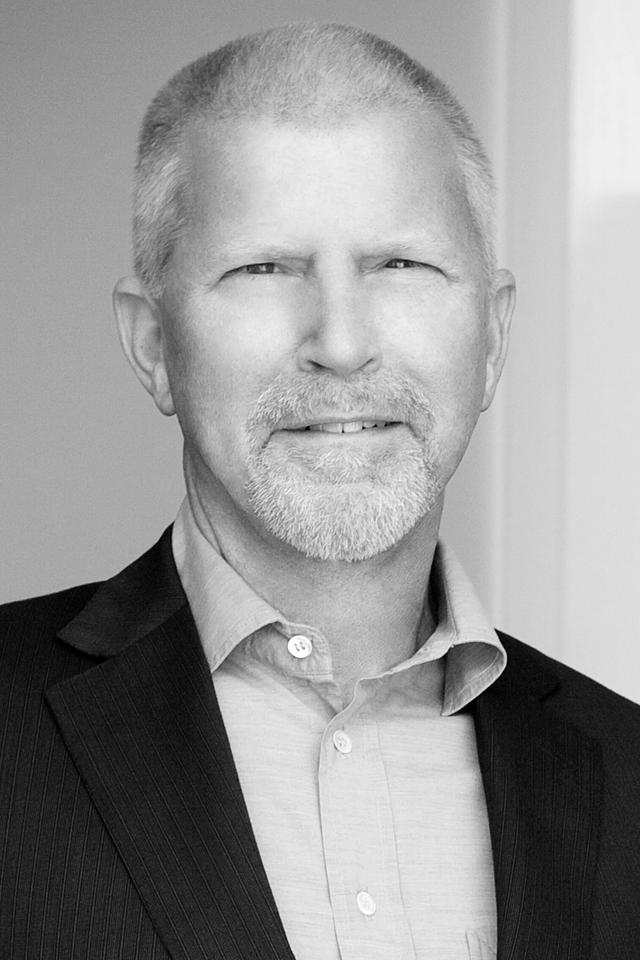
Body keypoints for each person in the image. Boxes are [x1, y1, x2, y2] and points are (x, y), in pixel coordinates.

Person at [1, 22, 638, 960]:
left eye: (400, 265)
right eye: (263, 269)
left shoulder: (626, 776)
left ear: (494, 335)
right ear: (152, 347)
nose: (341, 343)